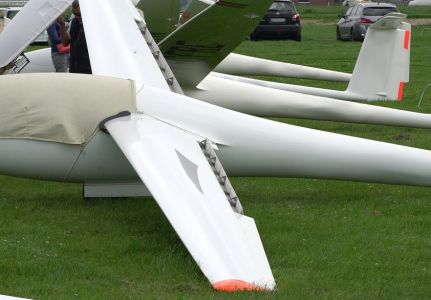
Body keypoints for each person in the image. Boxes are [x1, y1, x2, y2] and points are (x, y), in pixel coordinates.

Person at [59, 0, 92, 74]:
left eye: (79, 14)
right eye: (74, 14)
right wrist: (62, 25)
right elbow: (65, 43)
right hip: (74, 69)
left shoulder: (94, 24)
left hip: (89, 70)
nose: (77, 17)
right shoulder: (73, 22)